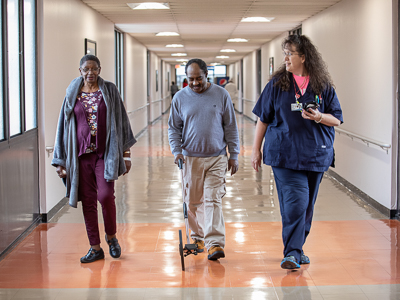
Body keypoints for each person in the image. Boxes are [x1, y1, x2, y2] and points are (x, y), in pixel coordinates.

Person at [251, 35, 343, 269]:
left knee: (307, 205)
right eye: (285, 53)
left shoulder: (322, 86)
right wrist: (255, 150)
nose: (286, 58)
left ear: (303, 57)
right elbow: (263, 119)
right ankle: (291, 252)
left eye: (290, 53)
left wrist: (319, 116)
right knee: (295, 202)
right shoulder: (277, 85)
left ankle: (298, 247)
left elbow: (337, 120)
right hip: (284, 154)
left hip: (315, 155)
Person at [52, 54, 136, 263]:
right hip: (80, 156)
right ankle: (95, 247)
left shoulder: (109, 90)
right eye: (86, 69)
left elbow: (122, 120)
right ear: (80, 71)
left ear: (99, 69)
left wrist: (126, 154)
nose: (90, 73)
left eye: (94, 69)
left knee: (106, 196)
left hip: (104, 154)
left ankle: (112, 237)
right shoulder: (72, 93)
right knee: (88, 202)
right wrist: (60, 160)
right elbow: (62, 127)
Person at [168, 58, 240, 261]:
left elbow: (230, 127)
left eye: (198, 78)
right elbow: (174, 128)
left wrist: (233, 154)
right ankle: (198, 237)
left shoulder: (221, 94)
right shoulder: (180, 98)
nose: (195, 83)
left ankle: (214, 243)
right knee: (192, 201)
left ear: (207, 75)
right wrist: (177, 151)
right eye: (190, 79)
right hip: (190, 158)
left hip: (217, 157)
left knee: (212, 199)